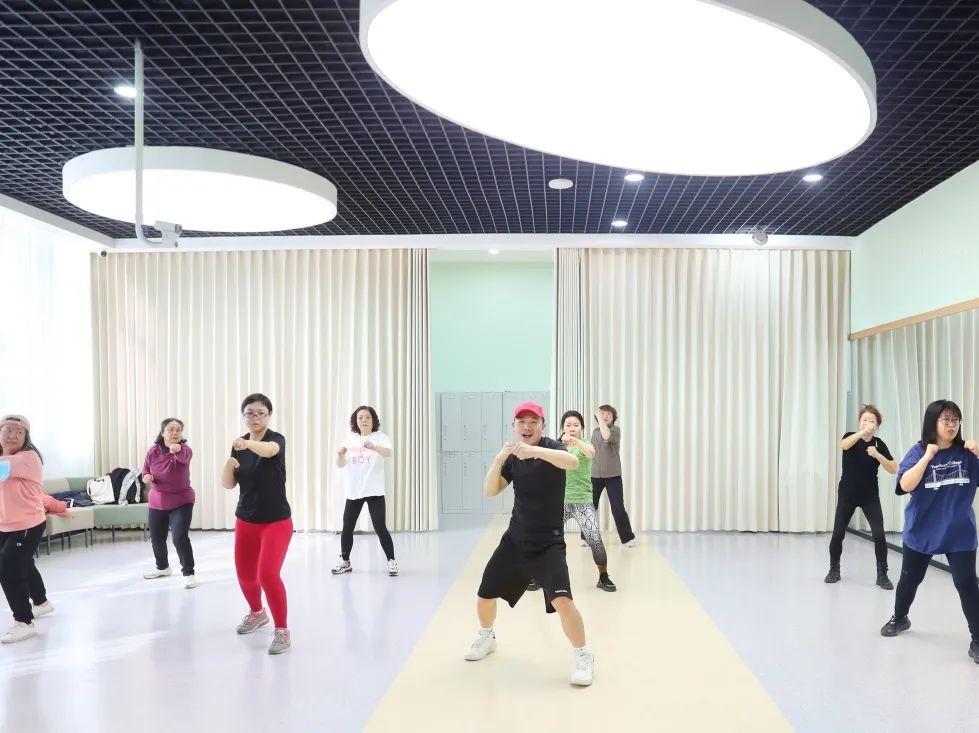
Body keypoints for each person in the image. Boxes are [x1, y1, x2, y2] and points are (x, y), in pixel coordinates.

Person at [465, 401, 595, 686]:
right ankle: (487, 637)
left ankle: (583, 655)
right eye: (521, 422)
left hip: (548, 543)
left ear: (542, 426)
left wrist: (534, 451)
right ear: (514, 426)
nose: (527, 427)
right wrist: (499, 458)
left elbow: (572, 463)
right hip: (515, 540)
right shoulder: (513, 457)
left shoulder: (552, 447)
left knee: (563, 601)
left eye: (533, 422)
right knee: (485, 595)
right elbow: (490, 490)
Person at [879, 399, 979, 666]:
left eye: (955, 420)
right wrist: (927, 457)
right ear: (933, 423)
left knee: (967, 583)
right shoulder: (918, 450)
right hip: (922, 529)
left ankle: (978, 639)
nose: (951, 425)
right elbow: (905, 485)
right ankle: (900, 617)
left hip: (959, 531)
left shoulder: (968, 454)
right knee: (910, 579)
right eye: (946, 419)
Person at [221, 394, 292, 655]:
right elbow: (229, 484)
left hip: (276, 521)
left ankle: (282, 629)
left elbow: (269, 451)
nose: (255, 417)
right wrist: (228, 465)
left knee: (268, 575)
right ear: (244, 416)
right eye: (250, 413)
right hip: (246, 519)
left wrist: (248, 444)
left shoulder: (276, 439)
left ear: (269, 415)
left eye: (261, 413)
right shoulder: (238, 446)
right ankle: (257, 613)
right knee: (245, 575)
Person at [529, 410, 616, 593]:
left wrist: (575, 441)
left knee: (595, 539)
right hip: (558, 502)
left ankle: (603, 577)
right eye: (568, 425)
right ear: (562, 427)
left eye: (576, 425)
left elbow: (591, 453)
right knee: (546, 539)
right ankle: (538, 577)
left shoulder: (584, 444)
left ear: (582, 428)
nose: (572, 428)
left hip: (583, 501)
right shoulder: (556, 446)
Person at [825, 404, 897, 588]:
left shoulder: (879, 444)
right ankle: (834, 569)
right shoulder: (850, 437)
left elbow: (893, 468)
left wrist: (877, 455)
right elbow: (843, 445)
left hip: (869, 496)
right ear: (859, 422)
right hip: (847, 494)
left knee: (879, 534)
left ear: (877, 425)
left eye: (871, 421)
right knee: (838, 534)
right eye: (864, 420)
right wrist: (861, 434)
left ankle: (882, 574)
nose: (867, 423)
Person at [0, 415, 54, 644]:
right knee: (23, 562)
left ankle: (24, 622)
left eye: (18, 432)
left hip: (28, 523)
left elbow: (2, 470)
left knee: (8, 569)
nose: (12, 435)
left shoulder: (28, 458)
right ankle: (41, 602)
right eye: (7, 430)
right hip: (6, 523)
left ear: (26, 437)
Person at [333, 406, 397, 577]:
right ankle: (345, 562)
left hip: (374, 490)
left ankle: (391, 561)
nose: (364, 420)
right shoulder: (350, 440)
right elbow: (340, 465)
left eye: (367, 417)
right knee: (347, 527)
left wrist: (374, 447)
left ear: (373, 420)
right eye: (360, 417)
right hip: (354, 490)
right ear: (356, 421)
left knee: (380, 526)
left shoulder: (381, 437)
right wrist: (340, 456)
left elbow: (388, 453)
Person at [142, 418, 197, 589]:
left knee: (179, 537)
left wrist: (177, 449)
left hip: (181, 501)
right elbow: (145, 470)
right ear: (162, 432)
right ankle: (163, 568)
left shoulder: (185, 450)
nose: (175, 433)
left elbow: (183, 457)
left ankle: (189, 573)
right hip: (157, 502)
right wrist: (146, 477)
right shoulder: (153, 451)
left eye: (178, 430)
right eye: (171, 429)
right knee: (157, 538)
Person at [590, 405, 636, 547]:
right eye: (602, 413)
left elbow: (606, 436)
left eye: (608, 414)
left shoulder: (615, 430)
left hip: (613, 475)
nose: (605, 416)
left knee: (617, 507)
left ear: (613, 417)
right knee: (590, 506)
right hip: (595, 475)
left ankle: (627, 538)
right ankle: (586, 537)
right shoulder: (595, 432)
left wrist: (599, 417)